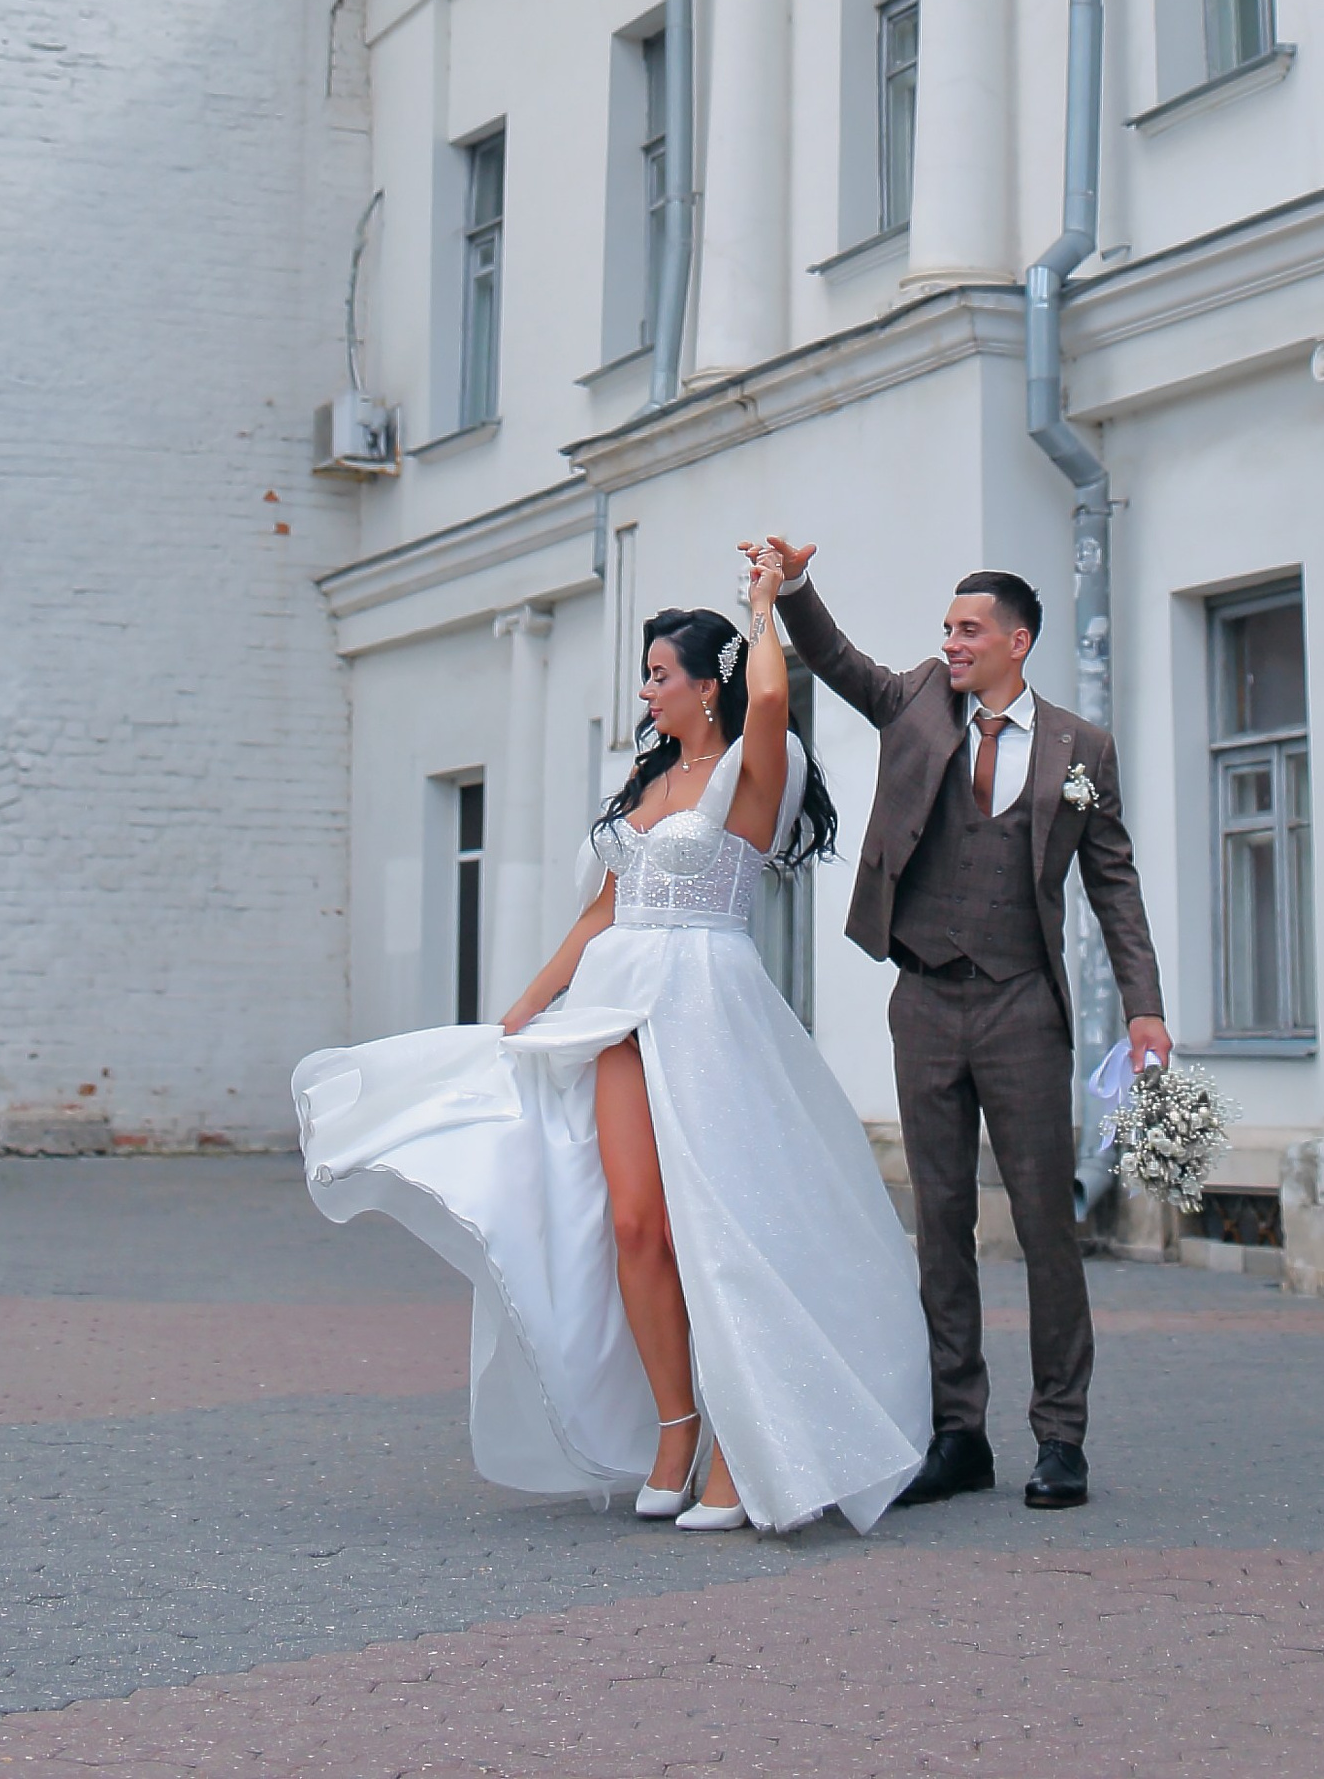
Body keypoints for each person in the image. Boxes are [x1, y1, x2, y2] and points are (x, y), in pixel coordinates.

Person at [294, 545, 929, 1534]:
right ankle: (673, 1431)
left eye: (659, 674)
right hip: (614, 999)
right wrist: (525, 1007)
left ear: (705, 685)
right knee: (632, 1225)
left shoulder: (755, 772)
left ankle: (743, 1441)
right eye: (645, 673)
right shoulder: (647, 782)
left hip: (706, 999)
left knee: (716, 1228)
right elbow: (600, 912)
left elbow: (770, 704)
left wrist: (765, 604)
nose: (645, 689)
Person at [767, 538, 1169, 1512]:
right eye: (945, 628)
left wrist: (1145, 1007)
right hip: (927, 998)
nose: (949, 642)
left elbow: (1110, 883)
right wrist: (793, 588)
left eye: (967, 629)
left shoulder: (1080, 751)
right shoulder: (915, 705)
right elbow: (836, 660)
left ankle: (1059, 1438)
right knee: (939, 1223)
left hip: (1023, 1006)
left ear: (1015, 643)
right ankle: (958, 1434)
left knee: (1043, 1226)